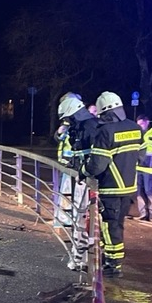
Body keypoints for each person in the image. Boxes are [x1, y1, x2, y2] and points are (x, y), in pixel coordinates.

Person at [86, 92, 142, 277]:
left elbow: (97, 165)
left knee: (110, 226)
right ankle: (113, 260)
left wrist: (84, 170)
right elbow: (140, 156)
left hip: (111, 187)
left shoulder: (106, 131)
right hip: (129, 188)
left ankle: (112, 264)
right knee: (118, 224)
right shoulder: (135, 127)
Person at [55, 93, 99, 270]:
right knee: (78, 217)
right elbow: (61, 139)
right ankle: (78, 256)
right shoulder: (78, 126)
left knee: (88, 219)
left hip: (91, 179)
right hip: (81, 177)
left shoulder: (90, 126)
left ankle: (86, 258)